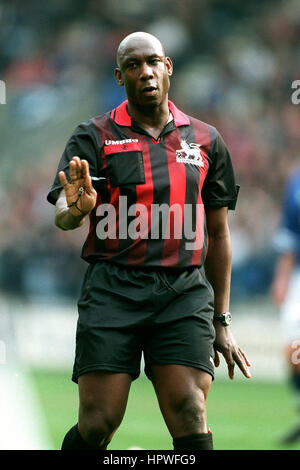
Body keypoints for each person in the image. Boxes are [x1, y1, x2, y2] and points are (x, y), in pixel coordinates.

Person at [47, 31, 251, 451]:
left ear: (168, 66)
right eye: (134, 66)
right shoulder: (93, 135)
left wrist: (222, 320)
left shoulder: (207, 140)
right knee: (98, 422)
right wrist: (77, 211)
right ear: (119, 76)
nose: (146, 73)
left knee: (191, 412)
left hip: (183, 293)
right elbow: (63, 217)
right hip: (112, 290)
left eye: (153, 62)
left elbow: (218, 233)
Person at [271, 166, 300, 445]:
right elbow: (289, 234)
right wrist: (281, 278)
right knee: (294, 350)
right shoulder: (296, 180)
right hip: (298, 277)